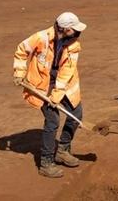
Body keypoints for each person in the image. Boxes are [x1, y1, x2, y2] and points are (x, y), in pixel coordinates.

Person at [13, 12, 87, 178]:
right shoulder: (41, 38)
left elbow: (66, 72)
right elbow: (21, 50)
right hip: (41, 86)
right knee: (52, 121)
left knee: (76, 114)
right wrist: (19, 72)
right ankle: (46, 163)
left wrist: (57, 96)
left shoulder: (74, 44)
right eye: (73, 30)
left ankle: (63, 150)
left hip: (65, 85)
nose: (77, 33)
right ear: (64, 29)